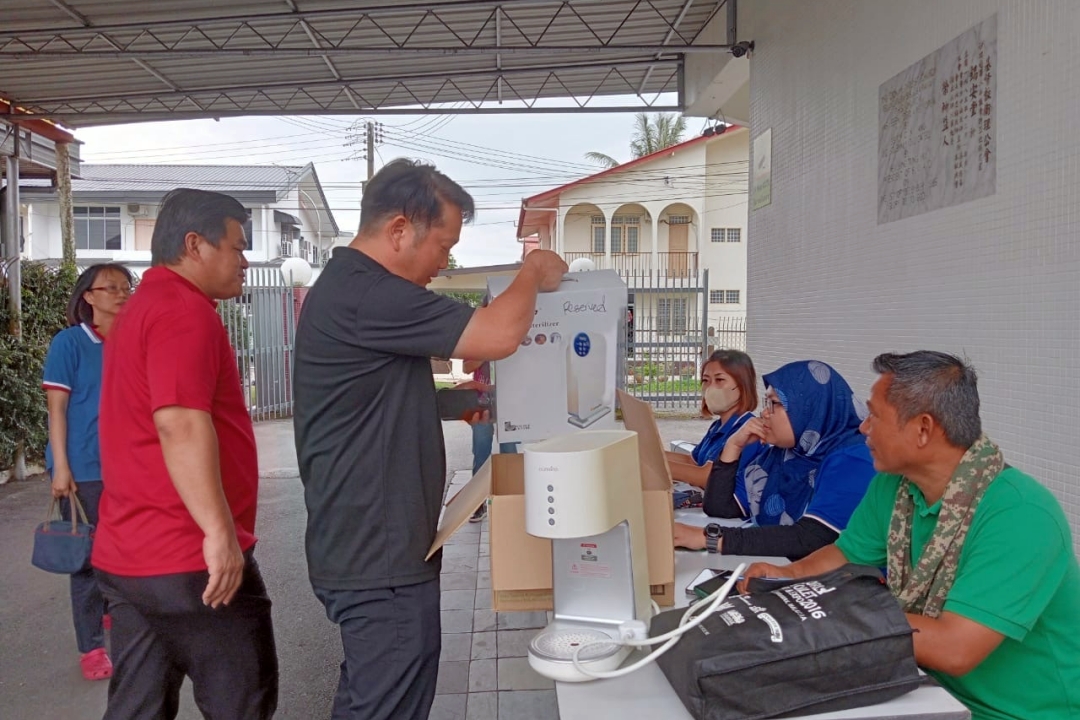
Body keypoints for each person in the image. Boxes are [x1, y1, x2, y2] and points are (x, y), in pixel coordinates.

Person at [293, 158, 567, 720]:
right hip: (379, 556)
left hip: (367, 548)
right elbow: (496, 335)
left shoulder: (351, 291)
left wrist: (463, 404)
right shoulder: (368, 293)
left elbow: (367, 399)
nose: (444, 264)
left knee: (374, 695)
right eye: (443, 246)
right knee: (387, 703)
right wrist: (533, 271)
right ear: (398, 230)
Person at [740, 352, 1080, 720]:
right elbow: (843, 555)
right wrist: (787, 577)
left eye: (876, 416)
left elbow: (955, 649)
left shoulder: (1020, 515)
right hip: (921, 689)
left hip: (1006, 713)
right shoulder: (893, 485)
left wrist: (836, 610)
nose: (863, 428)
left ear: (922, 429)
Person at [94, 189, 278, 719]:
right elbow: (177, 423)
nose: (244, 262)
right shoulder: (182, 310)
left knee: (138, 707)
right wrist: (220, 535)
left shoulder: (137, 310)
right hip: (188, 556)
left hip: (129, 554)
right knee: (242, 702)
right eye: (237, 248)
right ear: (195, 245)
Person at [673, 360, 876, 559]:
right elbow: (720, 507)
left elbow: (810, 537)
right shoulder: (785, 454)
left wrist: (708, 538)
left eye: (775, 404)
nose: (764, 413)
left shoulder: (854, 457)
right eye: (766, 403)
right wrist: (733, 446)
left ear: (809, 408)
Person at [41, 262, 132, 681]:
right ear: (89, 297)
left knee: (125, 552)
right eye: (109, 287)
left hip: (128, 468)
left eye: (125, 286)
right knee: (87, 562)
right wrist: (61, 466)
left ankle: (113, 616)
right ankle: (92, 647)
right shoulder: (70, 343)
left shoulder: (133, 342)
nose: (120, 293)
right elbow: (56, 410)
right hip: (84, 469)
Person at [665, 349, 758, 490]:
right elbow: (693, 461)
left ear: (742, 384)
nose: (710, 388)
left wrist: (651, 464)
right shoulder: (717, 426)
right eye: (705, 380)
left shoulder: (748, 431)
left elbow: (707, 477)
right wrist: (651, 454)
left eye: (719, 380)